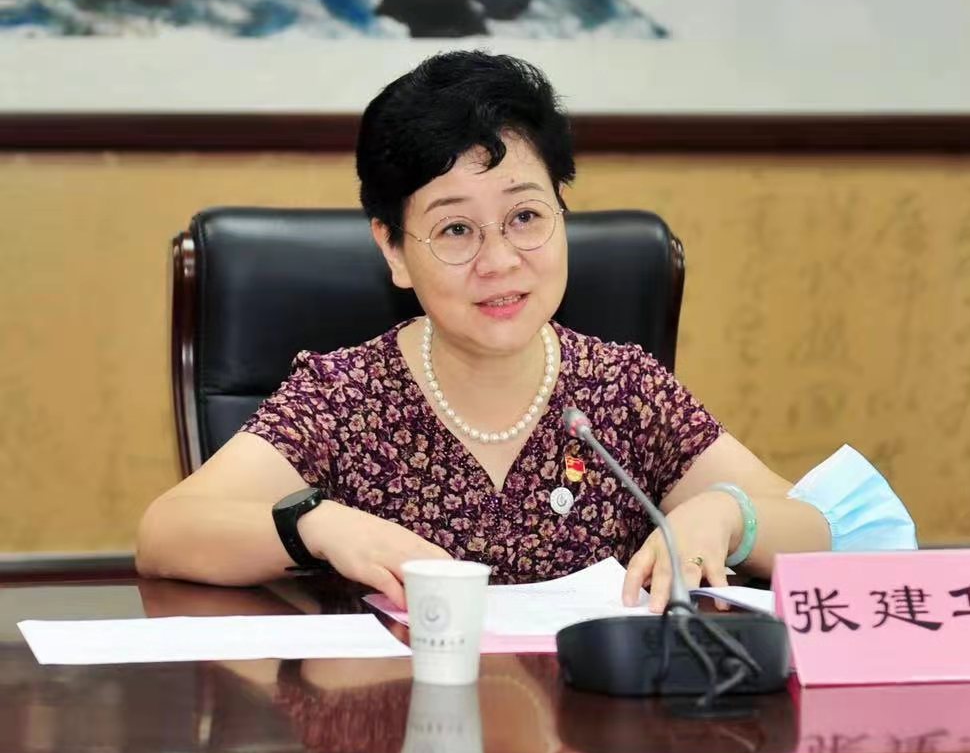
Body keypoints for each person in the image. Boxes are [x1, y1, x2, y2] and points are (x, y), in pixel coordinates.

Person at [138, 51, 907, 612]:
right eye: (455, 230)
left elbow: (824, 531)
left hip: (593, 743)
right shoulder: (345, 397)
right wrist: (318, 525)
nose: (500, 262)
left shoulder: (622, 390)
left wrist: (730, 515)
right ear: (393, 250)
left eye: (526, 217)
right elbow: (168, 533)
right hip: (395, 742)